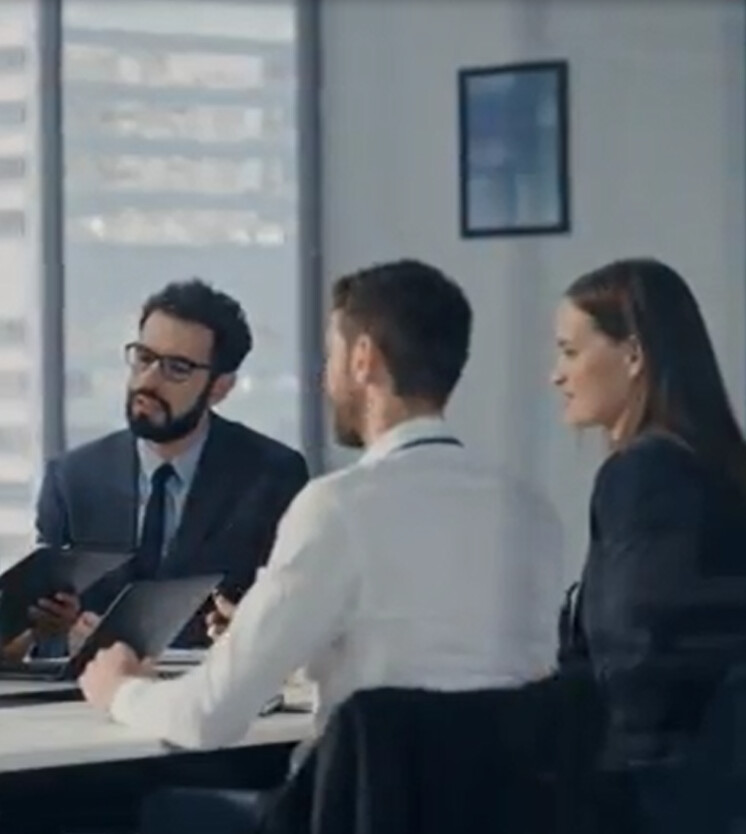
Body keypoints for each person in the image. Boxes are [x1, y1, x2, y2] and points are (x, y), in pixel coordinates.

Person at [77, 260, 567, 834]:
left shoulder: (338, 507)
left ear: (363, 359)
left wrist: (120, 689)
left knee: (135, 812)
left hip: (359, 815)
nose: (322, 379)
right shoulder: (530, 510)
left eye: (330, 356)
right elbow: (459, 672)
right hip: (500, 818)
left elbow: (208, 717)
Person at [551, 258, 746, 834]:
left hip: (659, 800)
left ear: (633, 355)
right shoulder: (721, 470)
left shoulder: (644, 475)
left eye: (570, 352)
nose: (557, 375)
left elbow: (638, 669)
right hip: (739, 789)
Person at [26, 280, 309, 653]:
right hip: (90, 687)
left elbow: (294, 618)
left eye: (177, 368)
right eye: (144, 358)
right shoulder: (73, 480)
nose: (148, 381)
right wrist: (64, 634)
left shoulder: (272, 477)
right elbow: (39, 635)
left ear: (220, 387)